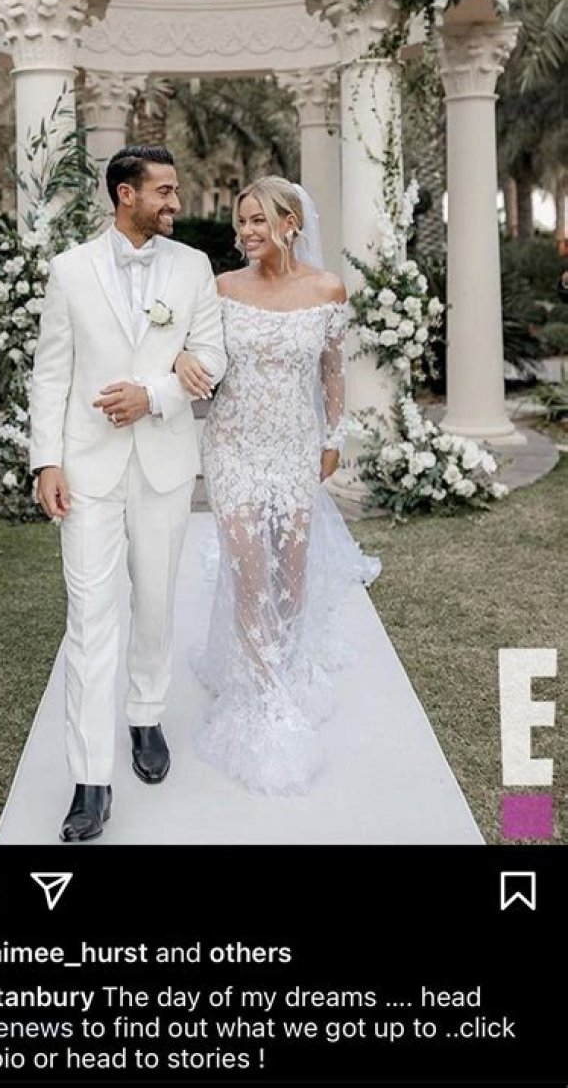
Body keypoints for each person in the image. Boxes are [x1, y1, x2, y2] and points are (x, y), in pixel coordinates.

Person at [29, 145, 227, 842]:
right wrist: (45, 461)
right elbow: (51, 373)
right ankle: (90, 781)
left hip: (164, 464)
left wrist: (155, 394)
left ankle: (146, 715)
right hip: (87, 470)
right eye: (164, 191)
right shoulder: (69, 270)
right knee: (89, 618)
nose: (176, 202)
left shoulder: (193, 266)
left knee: (156, 603)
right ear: (126, 194)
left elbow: (212, 356)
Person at [174, 176, 380, 795]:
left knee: (290, 572)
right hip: (232, 448)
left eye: (258, 220)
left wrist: (333, 437)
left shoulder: (327, 289)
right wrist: (181, 360)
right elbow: (192, 350)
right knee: (249, 572)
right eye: (242, 221)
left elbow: (332, 371)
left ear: (291, 224)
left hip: (294, 447)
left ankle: (283, 664)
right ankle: (265, 698)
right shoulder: (223, 289)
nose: (246, 231)